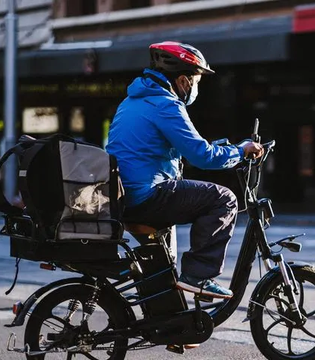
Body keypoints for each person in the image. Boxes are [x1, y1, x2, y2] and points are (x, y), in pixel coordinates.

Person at [106, 41, 264, 299]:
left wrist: (224, 149)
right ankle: (200, 276)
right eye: (197, 81)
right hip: (148, 196)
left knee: (161, 268)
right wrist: (241, 150)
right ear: (183, 81)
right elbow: (202, 156)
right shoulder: (166, 104)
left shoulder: (132, 101)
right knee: (223, 199)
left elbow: (183, 148)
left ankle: (172, 329)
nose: (196, 88)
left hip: (126, 197)